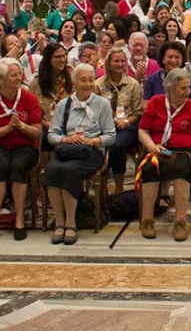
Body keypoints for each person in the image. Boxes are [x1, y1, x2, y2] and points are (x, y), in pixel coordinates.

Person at [137, 67, 191, 240]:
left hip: (185, 151)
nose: (188, 92)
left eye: (189, 87)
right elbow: (143, 131)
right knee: (150, 168)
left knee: (181, 169)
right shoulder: (156, 103)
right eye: (183, 88)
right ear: (171, 89)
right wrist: (150, 146)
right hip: (158, 148)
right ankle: (147, 220)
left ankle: (180, 222)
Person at [45, 64, 116, 245]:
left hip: (90, 152)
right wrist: (65, 140)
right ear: (74, 82)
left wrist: (92, 141)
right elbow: (52, 135)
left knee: (69, 171)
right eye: (83, 80)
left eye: (91, 80)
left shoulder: (103, 104)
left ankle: (70, 223)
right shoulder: (64, 105)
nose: (88, 84)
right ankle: (59, 223)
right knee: (52, 170)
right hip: (68, 150)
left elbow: (111, 135)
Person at [0, 58, 41, 242]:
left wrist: (21, 126)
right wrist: (6, 129)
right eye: (13, 75)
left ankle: (19, 218)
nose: (18, 78)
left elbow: (37, 132)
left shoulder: (29, 98)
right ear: (1, 78)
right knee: (0, 167)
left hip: (24, 146)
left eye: (19, 74)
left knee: (18, 166)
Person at [95, 48, 143, 195]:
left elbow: (138, 112)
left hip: (127, 126)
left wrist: (127, 121)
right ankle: (101, 184)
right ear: (108, 63)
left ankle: (118, 187)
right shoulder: (98, 84)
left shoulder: (133, 84)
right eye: (116, 61)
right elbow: (95, 110)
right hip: (104, 125)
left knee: (116, 144)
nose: (120, 64)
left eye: (122, 61)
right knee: (100, 144)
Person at [30, 43, 73, 151]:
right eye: (58, 57)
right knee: (43, 137)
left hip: (68, 126)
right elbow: (31, 110)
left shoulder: (72, 81)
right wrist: (45, 123)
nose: (62, 60)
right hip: (45, 126)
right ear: (48, 59)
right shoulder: (37, 83)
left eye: (64, 56)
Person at [144, 41, 191, 107]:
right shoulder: (153, 79)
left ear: (182, 60)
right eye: (170, 57)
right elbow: (146, 104)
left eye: (177, 57)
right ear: (163, 59)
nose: (173, 60)